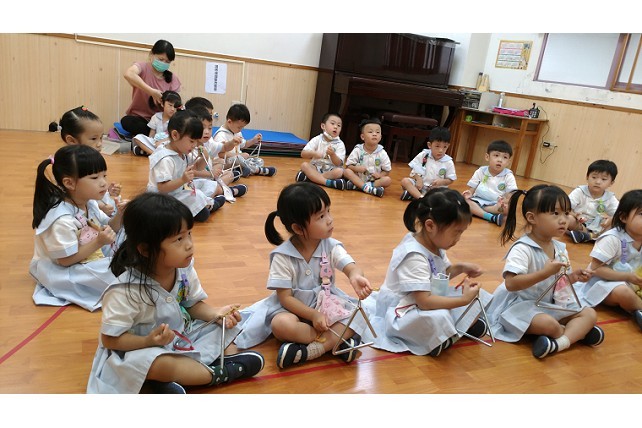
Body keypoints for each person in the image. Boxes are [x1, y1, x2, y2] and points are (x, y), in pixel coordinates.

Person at [87, 193, 265, 394]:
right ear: (145, 249)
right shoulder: (124, 291)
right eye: (179, 239)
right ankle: (216, 374)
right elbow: (110, 340)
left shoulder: (184, 269)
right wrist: (148, 341)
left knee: (224, 328)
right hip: (137, 349)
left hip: (181, 336)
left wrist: (215, 314)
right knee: (157, 363)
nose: (189, 244)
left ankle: (172, 381)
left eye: (189, 234)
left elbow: (192, 304)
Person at [234, 182, 373, 368]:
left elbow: (350, 267)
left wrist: (355, 276)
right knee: (280, 325)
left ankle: (314, 349)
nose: (330, 220)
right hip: (293, 310)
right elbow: (285, 298)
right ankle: (337, 342)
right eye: (321, 216)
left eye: (329, 211)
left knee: (362, 313)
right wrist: (313, 315)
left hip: (326, 304)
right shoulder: (283, 257)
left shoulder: (331, 246)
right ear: (298, 229)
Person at [361, 188, 493, 357]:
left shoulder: (434, 242)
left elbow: (440, 274)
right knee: (441, 316)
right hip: (402, 308)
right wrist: (463, 300)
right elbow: (424, 302)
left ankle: (449, 331)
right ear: (430, 225)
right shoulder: (413, 254)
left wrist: (461, 268)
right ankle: (439, 336)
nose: (458, 239)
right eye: (456, 232)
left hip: (422, 296)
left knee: (475, 297)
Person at [486, 184, 605, 359]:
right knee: (549, 324)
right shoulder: (522, 248)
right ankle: (575, 334)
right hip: (520, 306)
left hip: (548, 304)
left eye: (566, 213)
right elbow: (511, 284)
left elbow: (558, 282)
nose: (563, 220)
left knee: (589, 314)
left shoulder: (560, 248)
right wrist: (545, 273)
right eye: (555, 213)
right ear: (532, 218)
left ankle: (558, 343)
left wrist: (573, 277)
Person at [30, 145, 127, 311]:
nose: (104, 183)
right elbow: (65, 261)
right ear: (69, 183)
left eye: (104, 175)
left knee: (134, 230)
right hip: (65, 268)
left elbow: (110, 228)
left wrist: (121, 214)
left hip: (91, 252)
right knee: (117, 273)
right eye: (95, 178)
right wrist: (98, 242)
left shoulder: (89, 202)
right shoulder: (61, 220)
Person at [574, 189, 642, 331]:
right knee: (623, 292)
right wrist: (627, 277)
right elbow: (596, 269)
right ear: (623, 217)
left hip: (633, 284)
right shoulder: (612, 238)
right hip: (604, 284)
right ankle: (638, 308)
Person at [147, 110, 225, 222]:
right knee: (197, 196)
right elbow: (162, 188)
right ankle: (208, 205)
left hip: (176, 193)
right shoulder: (165, 159)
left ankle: (205, 205)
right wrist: (183, 180)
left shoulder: (182, 150)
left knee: (207, 184)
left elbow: (198, 167)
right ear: (175, 135)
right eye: (192, 141)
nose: (194, 145)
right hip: (160, 200)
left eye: (196, 141)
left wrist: (205, 156)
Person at [56, 106, 122, 218]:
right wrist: (101, 206)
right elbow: (77, 197)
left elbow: (90, 189)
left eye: (101, 138)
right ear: (71, 140)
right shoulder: (67, 165)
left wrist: (107, 192)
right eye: (93, 139)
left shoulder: (91, 159)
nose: (100, 144)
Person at [119, 40, 181, 139]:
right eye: (161, 59)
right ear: (151, 54)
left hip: (162, 121)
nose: (163, 63)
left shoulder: (173, 78)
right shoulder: (142, 67)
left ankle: (153, 136)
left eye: (167, 62)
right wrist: (152, 92)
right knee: (127, 121)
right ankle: (156, 136)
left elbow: (175, 105)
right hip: (140, 118)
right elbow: (128, 74)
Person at [189, 105, 247, 202]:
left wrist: (231, 143)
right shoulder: (189, 148)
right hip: (197, 181)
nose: (207, 132)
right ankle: (226, 191)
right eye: (203, 128)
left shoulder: (208, 143)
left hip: (209, 176)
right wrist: (210, 174)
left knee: (229, 173)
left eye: (210, 128)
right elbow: (192, 172)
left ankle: (218, 189)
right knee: (203, 189)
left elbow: (223, 148)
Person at [462, 140, 517, 226]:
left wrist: (504, 201)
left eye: (505, 157)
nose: (500, 160)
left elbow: (511, 194)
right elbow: (472, 188)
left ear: (508, 162)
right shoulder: (481, 171)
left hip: (495, 204)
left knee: (507, 209)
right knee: (465, 201)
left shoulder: (508, 175)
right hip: (478, 200)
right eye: (496, 155)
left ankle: (477, 211)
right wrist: (469, 193)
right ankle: (491, 217)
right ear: (487, 157)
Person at [215, 103, 277, 177]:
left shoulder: (237, 132)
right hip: (226, 163)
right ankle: (258, 170)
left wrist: (253, 140)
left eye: (242, 127)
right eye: (239, 127)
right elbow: (220, 154)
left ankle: (242, 170)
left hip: (239, 160)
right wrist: (239, 155)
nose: (240, 129)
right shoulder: (220, 135)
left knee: (258, 160)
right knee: (239, 159)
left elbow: (244, 145)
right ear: (229, 122)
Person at [566, 159, 619, 243]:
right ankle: (590, 236)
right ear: (587, 177)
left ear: (611, 183)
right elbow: (566, 208)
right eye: (594, 177)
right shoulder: (580, 191)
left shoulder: (610, 198)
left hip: (598, 226)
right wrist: (575, 215)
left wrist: (610, 219)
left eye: (604, 179)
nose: (597, 182)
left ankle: (587, 236)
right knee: (568, 218)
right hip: (579, 223)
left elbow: (619, 213)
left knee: (617, 223)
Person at [400, 127, 456, 201]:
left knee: (446, 195)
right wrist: (418, 179)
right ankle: (421, 198)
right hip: (420, 186)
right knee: (405, 181)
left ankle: (414, 195)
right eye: (437, 146)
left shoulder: (448, 162)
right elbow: (414, 167)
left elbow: (451, 179)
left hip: (436, 189)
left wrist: (442, 182)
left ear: (448, 146)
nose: (441, 150)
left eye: (445, 147)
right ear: (429, 145)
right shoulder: (424, 155)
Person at [295, 113, 346, 190]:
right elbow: (303, 154)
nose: (335, 127)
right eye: (332, 123)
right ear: (323, 126)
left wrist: (333, 155)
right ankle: (327, 182)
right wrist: (314, 153)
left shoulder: (340, 144)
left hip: (330, 170)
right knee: (304, 165)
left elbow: (338, 163)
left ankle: (311, 178)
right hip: (315, 167)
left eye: (339, 125)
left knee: (339, 171)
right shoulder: (317, 139)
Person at [343, 118, 392, 198]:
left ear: (380, 137)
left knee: (387, 180)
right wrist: (357, 168)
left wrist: (380, 175)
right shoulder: (358, 150)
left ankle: (359, 186)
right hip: (358, 177)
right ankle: (368, 188)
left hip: (373, 181)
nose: (374, 134)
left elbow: (387, 170)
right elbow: (348, 166)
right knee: (347, 172)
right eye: (370, 132)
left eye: (377, 132)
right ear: (362, 136)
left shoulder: (382, 152)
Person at [132, 90, 182, 156]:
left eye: (175, 107)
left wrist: (162, 141)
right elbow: (151, 134)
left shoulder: (176, 120)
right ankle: (156, 154)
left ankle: (147, 152)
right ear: (162, 104)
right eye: (170, 105)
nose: (172, 109)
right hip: (156, 143)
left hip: (168, 144)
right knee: (138, 137)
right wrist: (151, 142)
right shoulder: (156, 117)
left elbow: (175, 137)